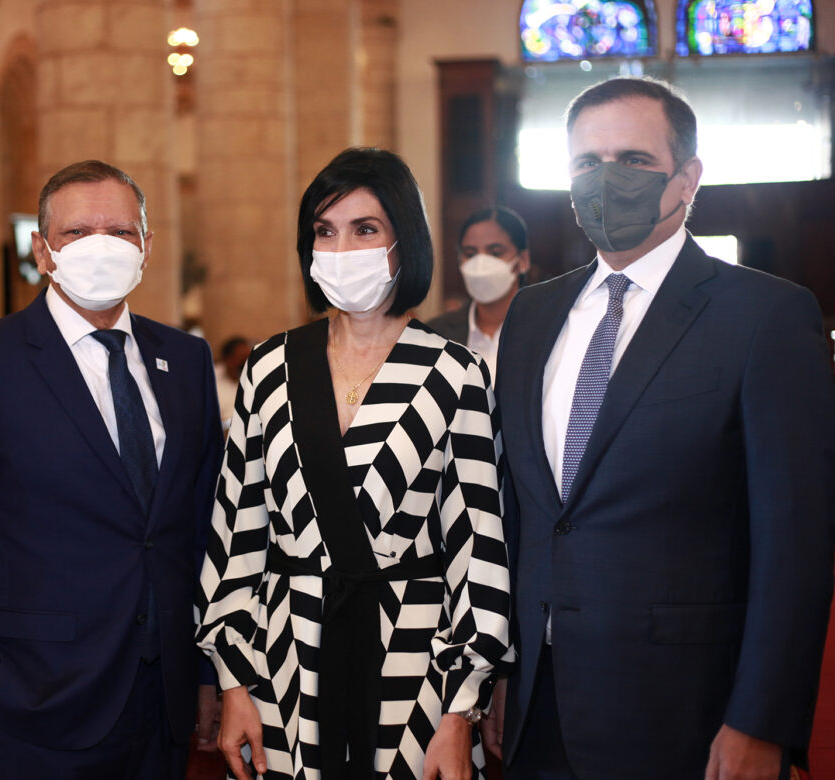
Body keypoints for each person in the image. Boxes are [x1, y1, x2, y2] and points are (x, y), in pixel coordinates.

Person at [491, 77, 835, 780]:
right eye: (587, 163)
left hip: (686, 711)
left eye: (633, 160)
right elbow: (524, 514)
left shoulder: (764, 316)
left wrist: (761, 721)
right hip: (537, 704)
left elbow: (795, 544)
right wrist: (499, 674)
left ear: (687, 179)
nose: (606, 179)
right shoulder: (532, 314)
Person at [0, 160, 224, 778]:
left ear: (147, 246)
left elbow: (205, 532)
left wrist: (208, 671)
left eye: (120, 232)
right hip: (41, 699)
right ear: (43, 251)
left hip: (166, 698)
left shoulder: (186, 359)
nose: (101, 246)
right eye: (77, 232)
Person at [196, 147, 514, 780]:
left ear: (404, 242)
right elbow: (237, 536)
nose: (341, 249)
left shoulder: (456, 374)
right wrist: (233, 682)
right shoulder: (268, 368)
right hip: (283, 662)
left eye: (365, 229)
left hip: (417, 670)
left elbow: (479, 548)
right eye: (325, 230)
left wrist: (460, 710)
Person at [427, 206, 531, 385]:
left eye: (495, 252)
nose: (480, 263)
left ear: (523, 260)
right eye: (470, 254)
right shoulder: (435, 334)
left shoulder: (545, 329)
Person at [214, 335, 251, 432]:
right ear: (227, 359)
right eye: (242, 359)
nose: (246, 365)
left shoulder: (254, 379)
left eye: (249, 359)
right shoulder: (212, 379)